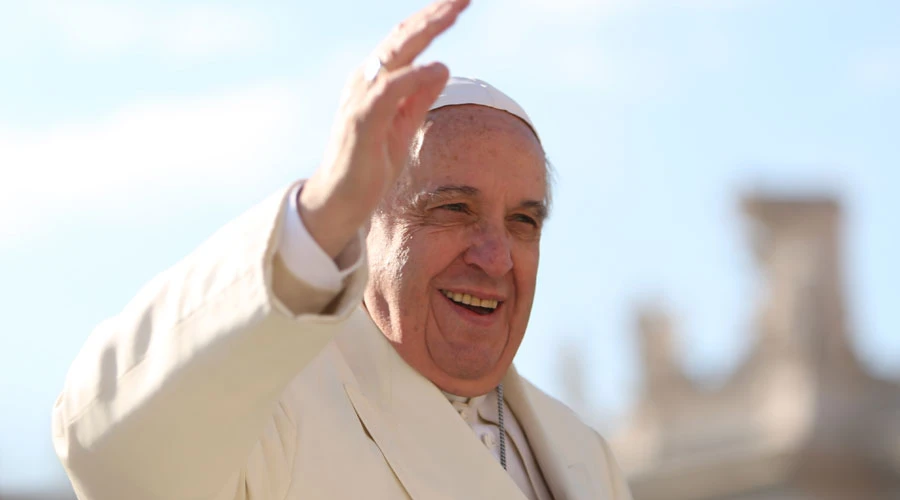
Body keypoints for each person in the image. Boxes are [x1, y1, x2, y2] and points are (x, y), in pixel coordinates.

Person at [51, 1, 632, 498]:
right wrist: (320, 213)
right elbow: (109, 449)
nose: (495, 256)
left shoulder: (585, 456)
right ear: (367, 222)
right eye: (454, 208)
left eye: (523, 222)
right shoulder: (277, 413)